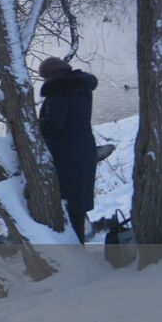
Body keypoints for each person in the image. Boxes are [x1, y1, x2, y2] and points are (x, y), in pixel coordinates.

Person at [37, 56, 99, 243]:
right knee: (77, 204)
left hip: (67, 154)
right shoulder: (81, 88)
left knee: (69, 204)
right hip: (83, 148)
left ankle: (74, 249)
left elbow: (54, 125)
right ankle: (78, 244)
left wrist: (33, 123)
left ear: (51, 77)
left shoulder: (59, 92)